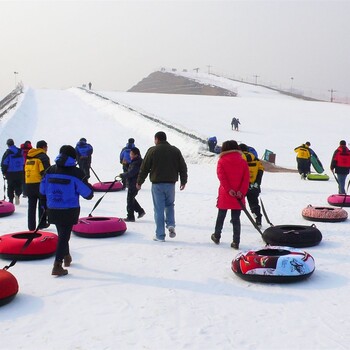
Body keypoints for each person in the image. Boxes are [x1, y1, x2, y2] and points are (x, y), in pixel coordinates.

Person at [40, 145, 94, 276]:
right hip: (69, 209)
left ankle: (66, 256)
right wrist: (89, 187)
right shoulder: (76, 172)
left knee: (62, 233)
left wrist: (44, 207)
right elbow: (88, 194)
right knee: (64, 236)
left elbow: (42, 190)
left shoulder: (50, 170)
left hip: (52, 208)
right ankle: (57, 264)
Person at [137, 131, 188, 242]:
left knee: (159, 209)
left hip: (157, 184)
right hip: (171, 184)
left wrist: (139, 182)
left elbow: (144, 168)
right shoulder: (175, 150)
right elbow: (183, 167)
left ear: (157, 139)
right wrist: (183, 181)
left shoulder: (152, 150)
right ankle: (170, 224)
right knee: (170, 205)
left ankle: (160, 235)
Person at [211, 140, 250, 249]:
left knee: (221, 216)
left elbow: (221, 177)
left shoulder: (222, 161)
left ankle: (217, 236)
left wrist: (229, 190)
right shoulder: (243, 161)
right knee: (236, 219)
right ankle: (236, 241)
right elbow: (246, 179)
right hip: (238, 194)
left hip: (226, 193)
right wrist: (241, 191)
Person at [25, 140, 50, 230]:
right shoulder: (43, 157)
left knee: (31, 206)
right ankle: (42, 223)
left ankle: (31, 227)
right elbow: (46, 172)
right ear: (43, 147)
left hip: (29, 184)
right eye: (46, 147)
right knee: (42, 204)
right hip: (39, 184)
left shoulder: (29, 156)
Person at [239, 143, 264, 227]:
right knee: (254, 204)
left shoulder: (239, 158)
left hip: (241, 186)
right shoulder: (256, 159)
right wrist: (257, 183)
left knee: (238, 203)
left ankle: (235, 218)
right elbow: (261, 171)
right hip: (253, 185)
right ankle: (258, 219)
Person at [119, 147, 145, 222]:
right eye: (130, 154)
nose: (130, 155)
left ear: (136, 155)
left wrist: (122, 175)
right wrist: (126, 165)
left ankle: (130, 216)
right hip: (133, 183)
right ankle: (140, 211)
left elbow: (131, 173)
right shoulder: (135, 161)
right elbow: (131, 170)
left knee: (130, 200)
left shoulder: (137, 162)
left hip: (134, 183)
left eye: (132, 154)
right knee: (131, 198)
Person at [1, 139, 24, 204]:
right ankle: (18, 194)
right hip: (20, 171)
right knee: (19, 184)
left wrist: (4, 172)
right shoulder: (20, 151)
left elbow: (4, 163)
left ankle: (11, 200)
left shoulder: (8, 152)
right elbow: (23, 161)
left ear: (8, 145)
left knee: (10, 186)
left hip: (10, 172)